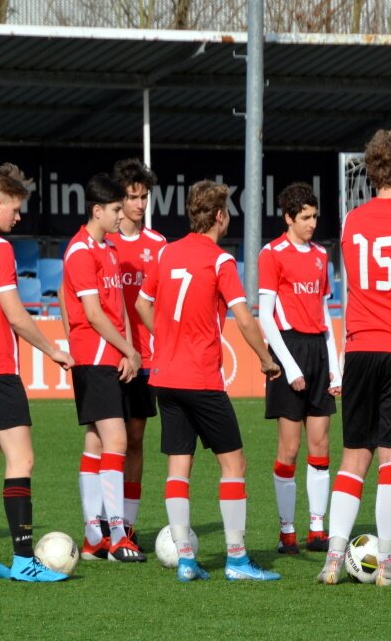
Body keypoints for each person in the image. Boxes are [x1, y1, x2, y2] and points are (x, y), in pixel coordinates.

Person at [135, 180, 282, 582]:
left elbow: (141, 303)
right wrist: (265, 359)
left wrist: (165, 338)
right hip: (201, 378)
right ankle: (237, 559)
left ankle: (185, 560)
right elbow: (245, 318)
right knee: (234, 464)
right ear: (219, 216)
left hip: (165, 377)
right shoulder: (220, 261)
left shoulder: (165, 253)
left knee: (178, 467)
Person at [318, 129, 391, 587]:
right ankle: (386, 564)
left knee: (353, 457)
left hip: (360, 348)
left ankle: (333, 558)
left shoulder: (351, 222)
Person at [0, 163, 75, 583]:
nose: (19, 217)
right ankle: (24, 559)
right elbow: (16, 315)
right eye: (16, 209)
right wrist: (53, 350)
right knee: (22, 458)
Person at [63, 173, 146, 563]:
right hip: (93, 358)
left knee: (97, 443)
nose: (121, 215)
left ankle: (93, 538)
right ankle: (116, 537)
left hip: (111, 356)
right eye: (115, 209)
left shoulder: (109, 248)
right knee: (116, 441)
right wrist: (128, 349)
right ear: (97, 210)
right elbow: (94, 314)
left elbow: (119, 310)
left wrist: (128, 351)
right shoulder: (80, 251)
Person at [257, 182, 338, 554]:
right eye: (305, 217)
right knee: (289, 448)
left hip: (317, 350)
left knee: (320, 443)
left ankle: (317, 529)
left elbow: (324, 312)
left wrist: (335, 366)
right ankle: (286, 531)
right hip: (288, 349)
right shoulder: (271, 254)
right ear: (288, 217)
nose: (312, 223)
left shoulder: (321, 254)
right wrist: (289, 368)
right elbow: (266, 316)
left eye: (315, 216)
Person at [111, 158, 166, 546]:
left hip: (146, 358)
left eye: (144, 197)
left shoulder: (158, 245)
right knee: (104, 441)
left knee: (134, 438)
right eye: (133, 197)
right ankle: (103, 522)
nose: (140, 204)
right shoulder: (106, 242)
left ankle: (127, 524)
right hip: (111, 355)